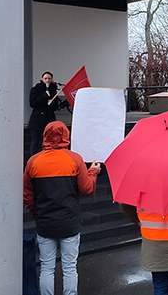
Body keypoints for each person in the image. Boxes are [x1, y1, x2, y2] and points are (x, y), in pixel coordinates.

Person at [23, 121, 100, 295]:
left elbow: (27, 195)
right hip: (69, 222)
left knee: (47, 267)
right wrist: (93, 172)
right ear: (66, 135)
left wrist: (35, 213)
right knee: (70, 267)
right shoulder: (75, 159)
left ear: (45, 136)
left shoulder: (33, 162)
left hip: (45, 223)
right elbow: (86, 188)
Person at [28, 71, 63, 156]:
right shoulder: (35, 89)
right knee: (35, 141)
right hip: (37, 120)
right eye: (46, 78)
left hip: (48, 119)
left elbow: (54, 107)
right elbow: (32, 103)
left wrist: (53, 103)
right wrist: (43, 96)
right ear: (42, 79)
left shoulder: (53, 90)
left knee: (48, 141)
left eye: (49, 78)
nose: (47, 80)